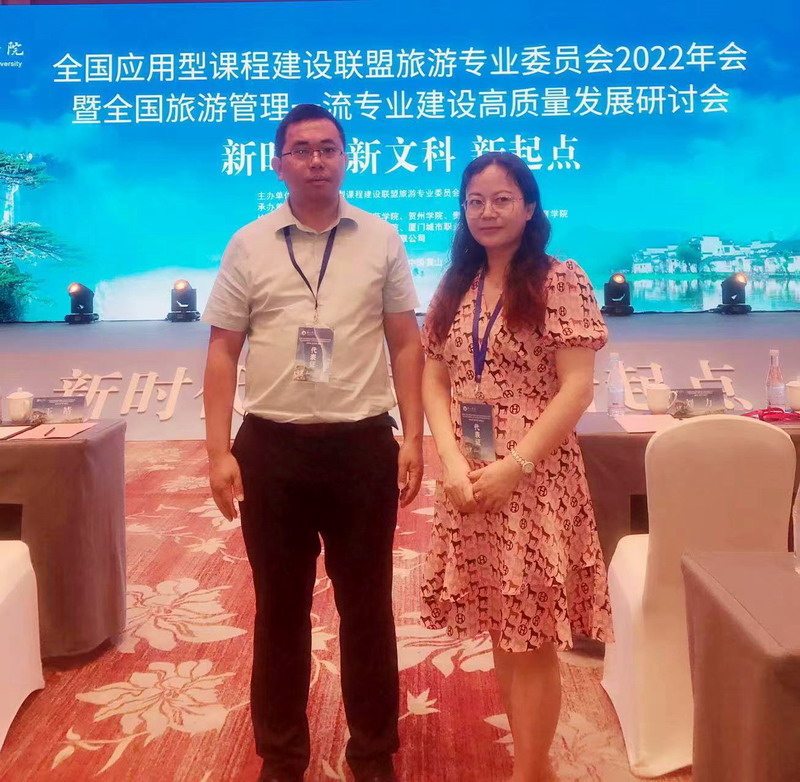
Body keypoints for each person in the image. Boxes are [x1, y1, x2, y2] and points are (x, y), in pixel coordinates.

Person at [202, 104, 424, 782]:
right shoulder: (248, 244)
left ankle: (373, 752)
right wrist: (217, 451)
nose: (317, 160)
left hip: (362, 447)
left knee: (367, 608)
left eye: (329, 148)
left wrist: (413, 436)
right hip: (272, 450)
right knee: (279, 609)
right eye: (302, 149)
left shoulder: (381, 238)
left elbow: (406, 342)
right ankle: (282, 754)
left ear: (346, 158)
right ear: (278, 164)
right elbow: (222, 351)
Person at [420, 152, 613, 782]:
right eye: (475, 201)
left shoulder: (561, 279)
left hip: (534, 481)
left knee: (531, 639)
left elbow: (576, 388)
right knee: (505, 631)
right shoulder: (457, 284)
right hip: (471, 478)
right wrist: (451, 460)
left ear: (529, 207)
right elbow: (434, 379)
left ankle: (529, 771)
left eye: (502, 199)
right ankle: (532, 766)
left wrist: (518, 465)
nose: (487, 212)